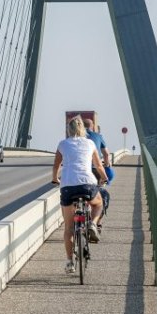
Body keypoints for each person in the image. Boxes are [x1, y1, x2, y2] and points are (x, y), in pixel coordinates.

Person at [52, 115, 108, 275]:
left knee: (69, 228)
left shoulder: (62, 144)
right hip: (87, 184)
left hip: (68, 186)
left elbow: (56, 166)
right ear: (83, 130)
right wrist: (104, 178)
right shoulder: (90, 143)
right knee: (97, 204)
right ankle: (93, 223)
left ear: (68, 131)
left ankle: (70, 262)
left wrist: (55, 179)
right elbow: (98, 165)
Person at [84, 118, 114, 225]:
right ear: (92, 126)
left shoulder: (77, 137)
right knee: (100, 193)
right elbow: (106, 154)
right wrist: (107, 165)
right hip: (94, 170)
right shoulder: (97, 136)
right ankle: (97, 223)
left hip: (80, 171)